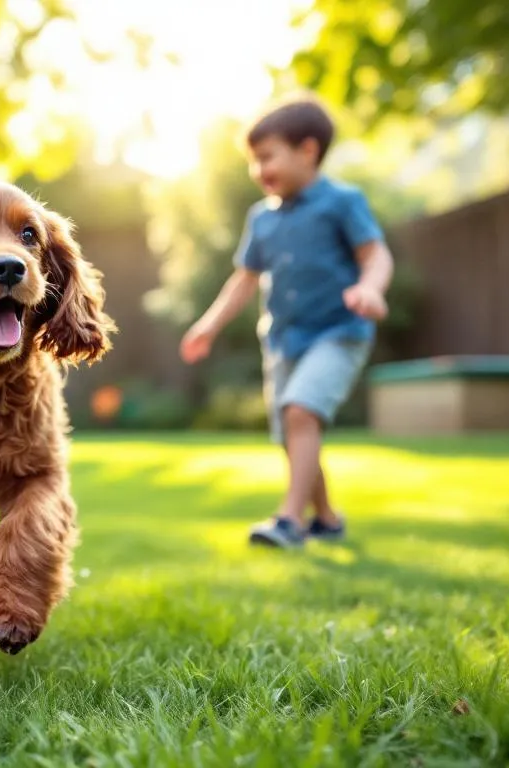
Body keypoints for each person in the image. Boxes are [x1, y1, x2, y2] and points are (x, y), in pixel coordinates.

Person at [180, 96, 395, 548]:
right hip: (282, 340)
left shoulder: (341, 202)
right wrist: (209, 324)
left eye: (266, 157)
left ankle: (290, 521)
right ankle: (328, 519)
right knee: (293, 430)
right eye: (253, 162)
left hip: (338, 332)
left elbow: (374, 254)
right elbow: (244, 279)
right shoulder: (261, 219)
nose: (258, 171)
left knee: (301, 412)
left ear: (308, 151)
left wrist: (371, 289)